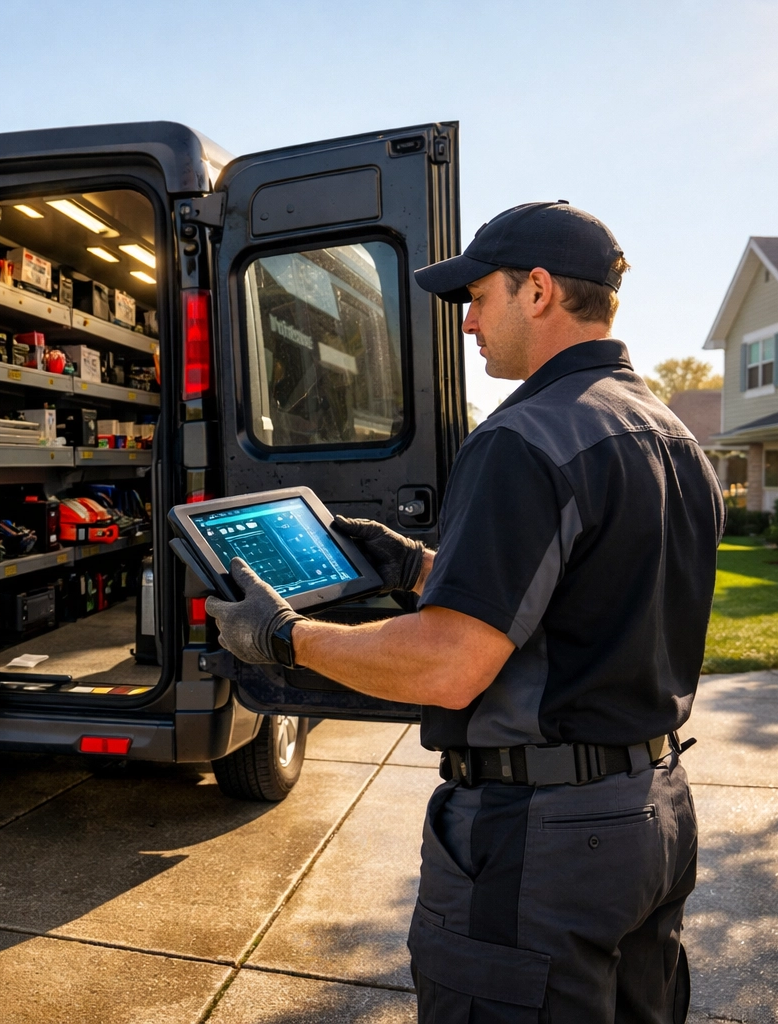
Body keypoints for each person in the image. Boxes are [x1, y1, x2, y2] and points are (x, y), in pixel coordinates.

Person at [206, 201, 723, 1023]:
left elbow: (448, 666)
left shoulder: (527, 437)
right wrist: (418, 568)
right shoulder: (667, 437)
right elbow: (581, 600)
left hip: (540, 838)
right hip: (649, 815)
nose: (470, 322)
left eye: (478, 297)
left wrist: (283, 636)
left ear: (540, 291)